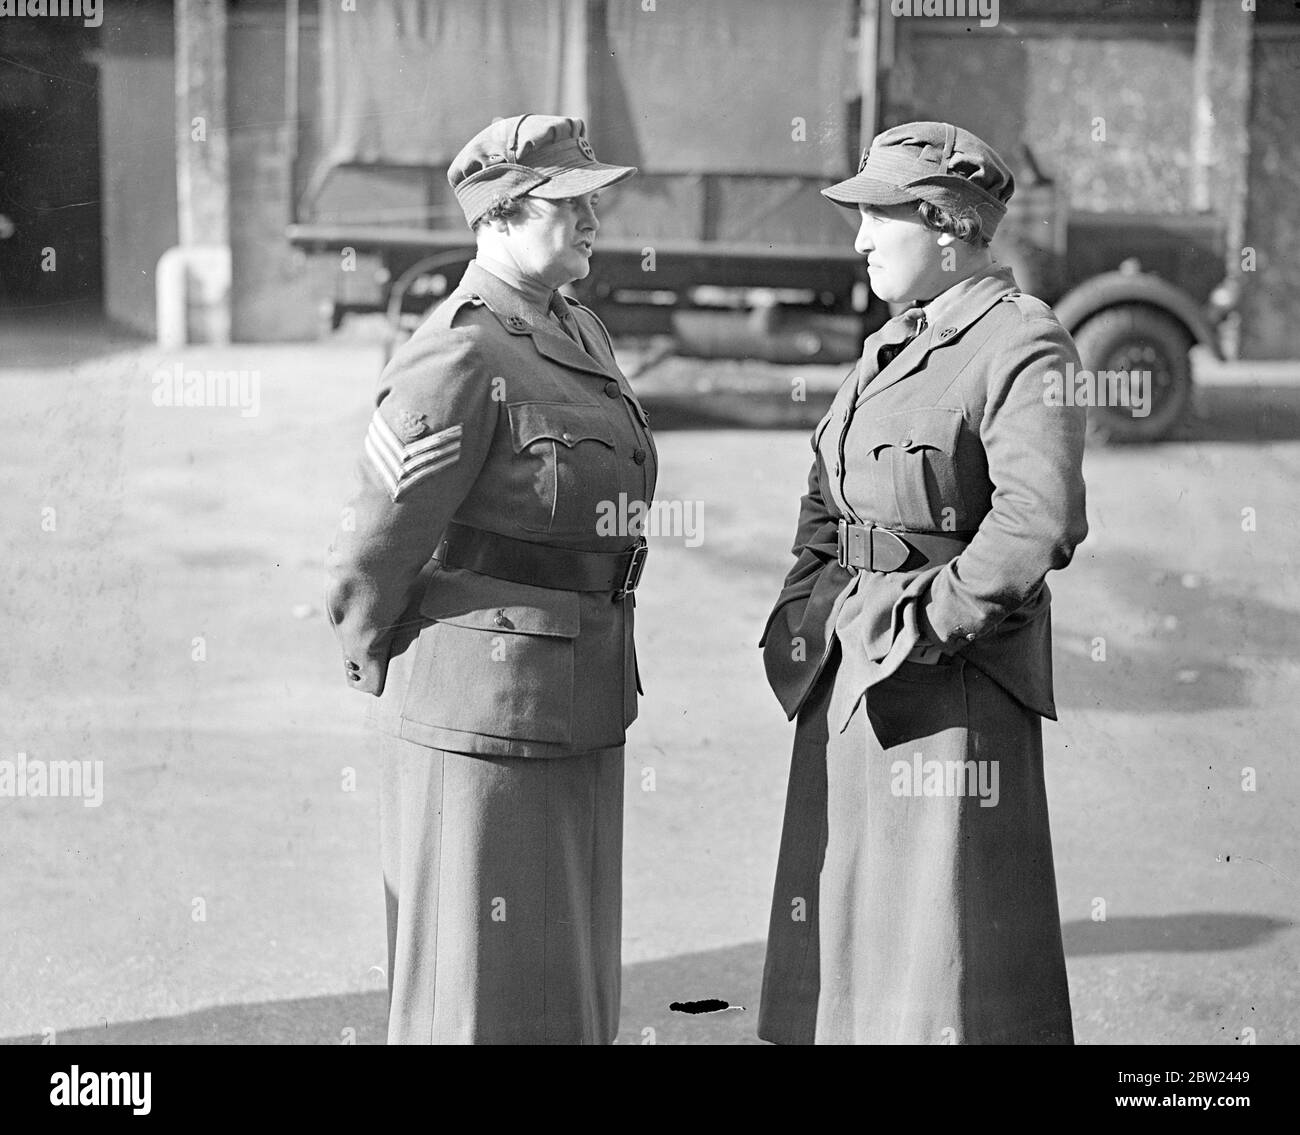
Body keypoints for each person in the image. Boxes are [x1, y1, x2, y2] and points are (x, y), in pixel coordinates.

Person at [324, 114, 656, 1045]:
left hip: (581, 691)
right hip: (481, 713)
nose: (595, 219)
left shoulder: (574, 327)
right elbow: (376, 543)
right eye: (571, 203)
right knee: (475, 984)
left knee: (563, 971)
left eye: (597, 200)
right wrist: (377, 651)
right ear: (499, 216)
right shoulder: (460, 350)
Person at [757, 121, 1088, 1044]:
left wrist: (923, 623)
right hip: (853, 669)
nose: (859, 238)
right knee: (855, 932)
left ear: (946, 226)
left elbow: (1039, 522)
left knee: (946, 964)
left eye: (877, 216)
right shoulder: (895, 341)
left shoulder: (1023, 344)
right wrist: (804, 612)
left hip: (949, 689)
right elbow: (828, 488)